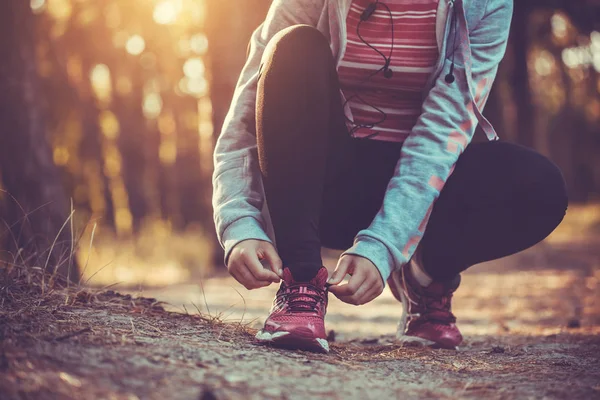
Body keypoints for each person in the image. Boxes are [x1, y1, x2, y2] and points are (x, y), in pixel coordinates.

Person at [212, 0, 567, 353]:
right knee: (293, 47)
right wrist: (239, 222)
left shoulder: (484, 5)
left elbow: (441, 134)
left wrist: (384, 245)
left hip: (420, 194)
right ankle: (301, 283)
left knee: (539, 186)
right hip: (328, 187)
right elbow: (246, 116)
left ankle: (425, 277)